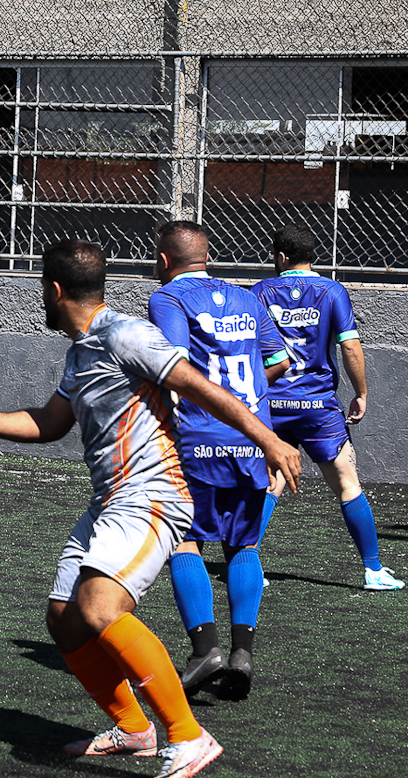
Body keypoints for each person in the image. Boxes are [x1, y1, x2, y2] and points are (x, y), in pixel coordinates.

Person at [0, 239, 301, 778]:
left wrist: (268, 438)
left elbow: (197, 385)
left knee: (101, 607)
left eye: (42, 289)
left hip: (153, 493)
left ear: (54, 291)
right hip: (110, 500)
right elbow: (50, 423)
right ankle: (134, 730)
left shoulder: (127, 333)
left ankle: (188, 736)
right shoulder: (80, 353)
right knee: (64, 619)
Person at [149, 221, 290, 701]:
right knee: (243, 546)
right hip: (254, 438)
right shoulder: (248, 298)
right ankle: (242, 655)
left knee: (183, 543)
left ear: (165, 261)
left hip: (197, 437)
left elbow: (174, 367)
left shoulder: (167, 298)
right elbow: (280, 361)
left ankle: (204, 649)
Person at [251, 224, 403, 591]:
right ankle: (373, 570)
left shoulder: (257, 292)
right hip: (318, 406)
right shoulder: (332, 291)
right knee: (347, 484)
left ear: (281, 257)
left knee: (269, 484)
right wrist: (362, 392)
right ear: (310, 256)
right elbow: (350, 346)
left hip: (272, 405)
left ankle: (248, 563)